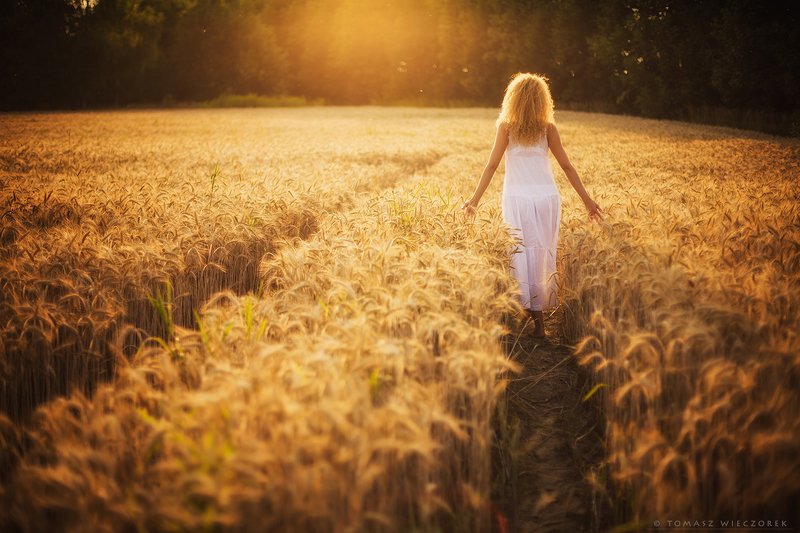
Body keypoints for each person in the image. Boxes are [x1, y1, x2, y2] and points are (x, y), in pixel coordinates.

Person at [462, 72, 602, 338]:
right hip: (547, 199)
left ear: (512, 99)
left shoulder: (506, 127)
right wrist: (588, 202)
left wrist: (473, 201)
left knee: (520, 254)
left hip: (517, 199)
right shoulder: (548, 128)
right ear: (542, 100)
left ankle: (527, 315)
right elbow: (567, 166)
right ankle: (538, 323)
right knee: (541, 253)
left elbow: (491, 165)